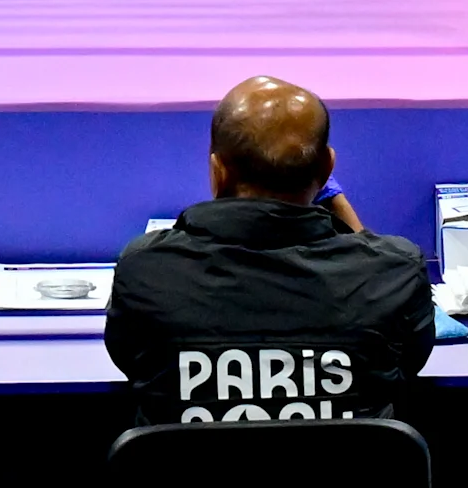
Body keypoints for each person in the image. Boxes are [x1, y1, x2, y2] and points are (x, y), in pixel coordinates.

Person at [104, 77, 435, 428]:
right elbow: (407, 359)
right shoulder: (393, 271)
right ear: (327, 169)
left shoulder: (146, 269)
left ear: (217, 173)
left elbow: (129, 360)